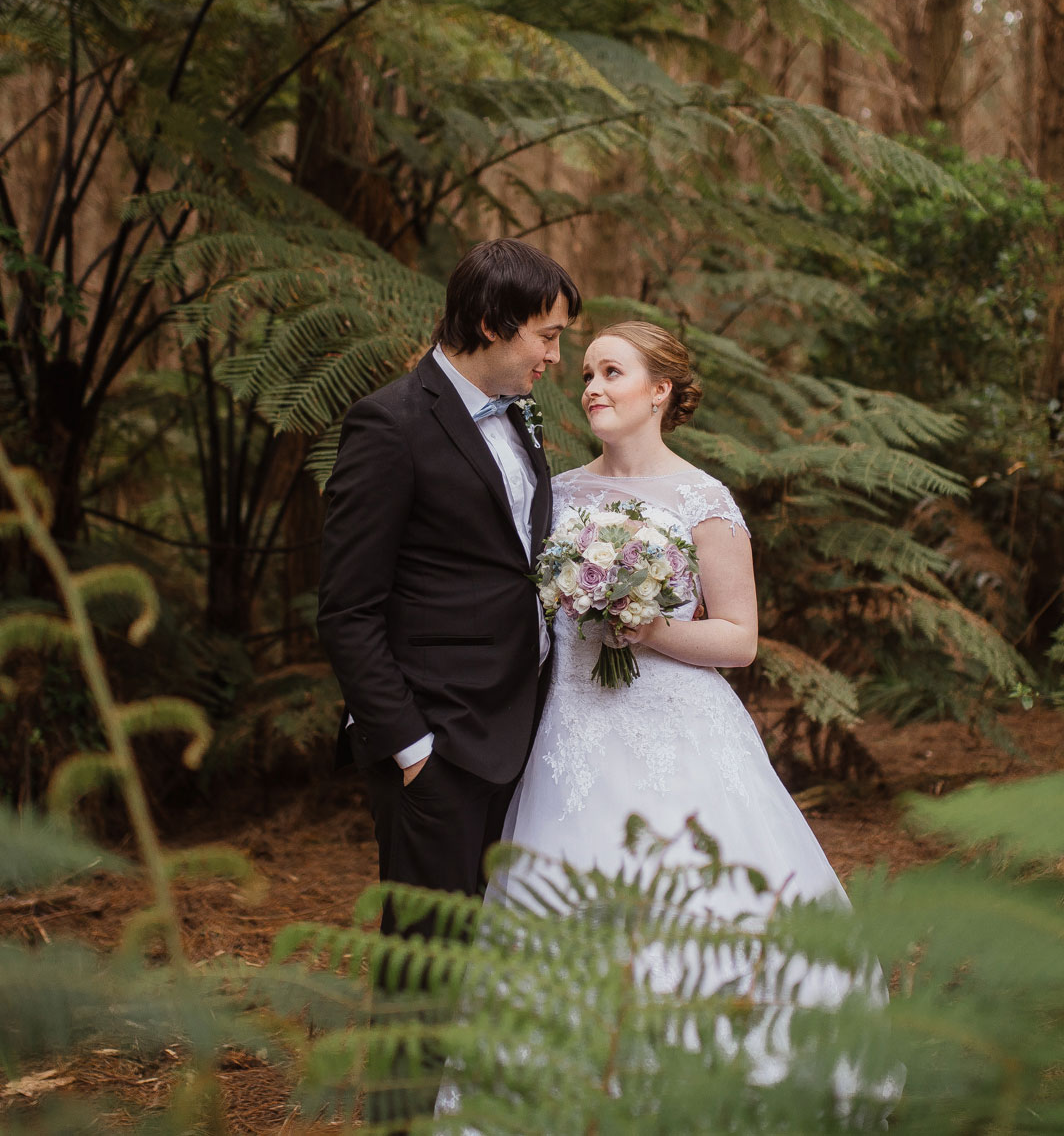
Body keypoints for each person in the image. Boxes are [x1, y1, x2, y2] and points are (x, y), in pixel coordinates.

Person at [494, 320, 849, 965]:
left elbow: (739, 639)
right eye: (587, 377)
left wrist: (652, 628)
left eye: (611, 373)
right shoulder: (560, 493)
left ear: (659, 391)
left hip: (675, 728)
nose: (592, 390)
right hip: (567, 727)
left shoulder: (702, 500)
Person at [317, 235, 578, 930]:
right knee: (426, 968)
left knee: (481, 954)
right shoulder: (389, 424)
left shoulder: (517, 414)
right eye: (546, 336)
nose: (555, 357)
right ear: (494, 323)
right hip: (439, 745)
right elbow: (347, 609)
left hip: (516, 729)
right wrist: (412, 748)